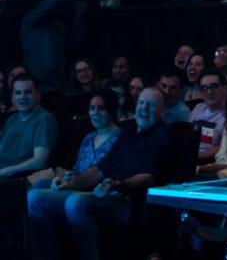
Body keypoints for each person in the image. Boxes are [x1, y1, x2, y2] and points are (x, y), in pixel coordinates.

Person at [26, 87, 170, 260]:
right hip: (104, 192)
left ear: (162, 112)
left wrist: (120, 183)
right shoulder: (128, 132)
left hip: (128, 200)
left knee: (75, 202)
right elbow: (99, 169)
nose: (144, 108)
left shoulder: (162, 134)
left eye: (151, 105)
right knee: (33, 197)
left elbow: (149, 176)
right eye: (141, 103)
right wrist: (72, 182)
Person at [28, 89, 121, 188]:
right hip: (75, 184)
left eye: (101, 108)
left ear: (111, 111)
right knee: (39, 184)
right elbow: (77, 169)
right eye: (92, 108)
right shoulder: (89, 138)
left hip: (97, 189)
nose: (95, 112)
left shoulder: (121, 138)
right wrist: (65, 178)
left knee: (36, 196)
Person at [0, 73, 58, 177]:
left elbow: (40, 161)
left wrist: (6, 171)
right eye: (18, 93)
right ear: (12, 98)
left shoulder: (44, 119)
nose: (22, 97)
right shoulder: (11, 119)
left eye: (28, 92)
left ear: (38, 95)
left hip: (20, 178)